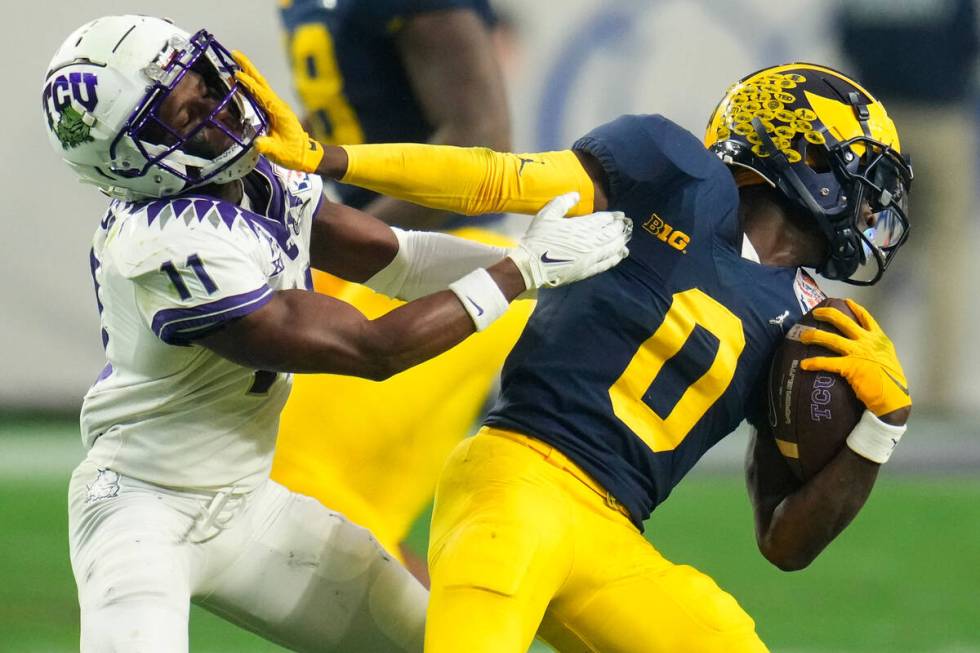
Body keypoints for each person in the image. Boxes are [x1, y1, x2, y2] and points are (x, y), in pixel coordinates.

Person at [238, 60, 914, 652]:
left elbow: (786, 541)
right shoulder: (676, 177)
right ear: (808, 159)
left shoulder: (813, 326)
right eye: (862, 176)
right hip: (516, 480)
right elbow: (496, 178)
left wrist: (878, 430)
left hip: (611, 533)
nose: (870, 208)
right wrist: (332, 159)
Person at [43, 15, 630, 652]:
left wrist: (546, 266)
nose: (216, 107)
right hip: (141, 511)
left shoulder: (258, 176)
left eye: (204, 82)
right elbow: (372, 348)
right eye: (184, 116)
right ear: (130, 161)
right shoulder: (163, 245)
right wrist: (517, 271)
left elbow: (397, 260)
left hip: (251, 503)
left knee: (442, 642)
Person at [271, 0, 531, 573]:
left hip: (448, 259)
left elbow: (480, 139)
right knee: (345, 518)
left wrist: (349, 242)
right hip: (381, 258)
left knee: (296, 478)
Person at [838, 0, 978, 410]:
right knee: (945, 257)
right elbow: (968, 43)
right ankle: (940, 393)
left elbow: (849, 41)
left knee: (877, 249)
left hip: (885, 131)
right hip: (940, 123)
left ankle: (858, 379)